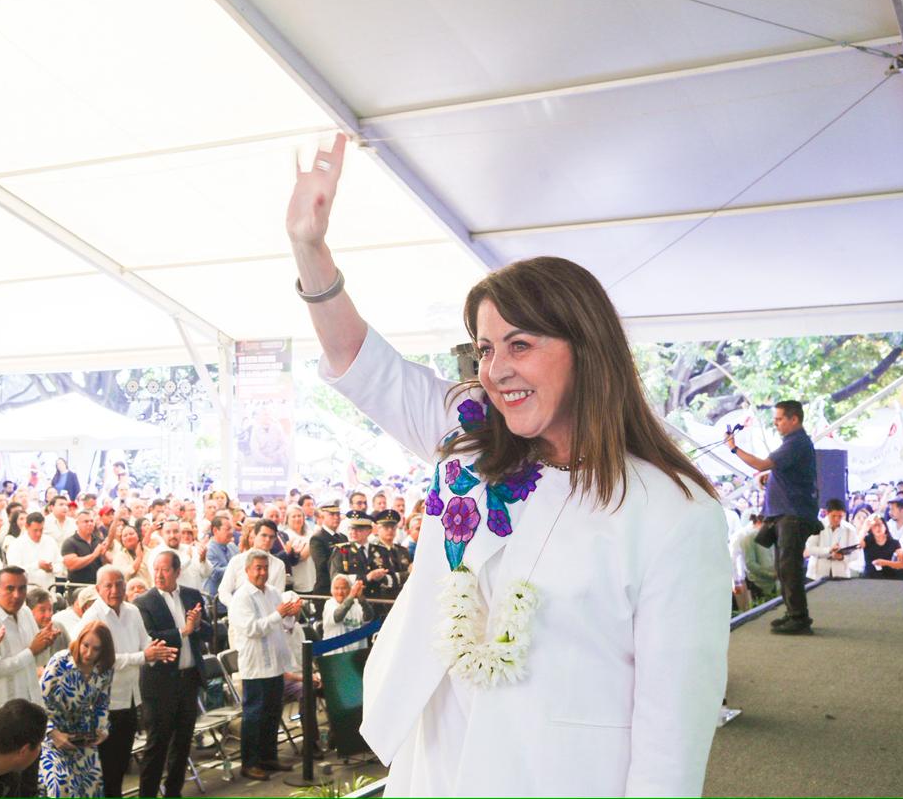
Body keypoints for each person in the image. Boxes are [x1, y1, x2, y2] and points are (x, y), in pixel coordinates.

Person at [285, 135, 729, 795]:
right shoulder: (468, 439)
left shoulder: (673, 512)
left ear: (586, 348)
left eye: (520, 345)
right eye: (486, 348)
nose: (495, 370)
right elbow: (364, 365)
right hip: (437, 767)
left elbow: (674, 726)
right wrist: (309, 248)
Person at [81, 566, 176, 797]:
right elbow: (97, 660)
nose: (115, 590)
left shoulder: (132, 611)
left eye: (119, 584)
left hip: (131, 698)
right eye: (109, 585)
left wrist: (156, 651)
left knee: (121, 765)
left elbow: (145, 642)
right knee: (106, 769)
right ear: (98, 589)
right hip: (104, 703)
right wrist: (143, 656)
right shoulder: (92, 617)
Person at [727, 400, 820, 633]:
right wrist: (770, 478)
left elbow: (761, 464)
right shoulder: (794, 444)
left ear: (794, 419)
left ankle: (799, 617)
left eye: (779, 419)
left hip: (793, 515)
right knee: (784, 567)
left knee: (789, 567)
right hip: (786, 514)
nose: (776, 423)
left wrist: (734, 448)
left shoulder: (796, 443)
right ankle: (792, 612)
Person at [135, 549, 212, 799]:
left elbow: (209, 632)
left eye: (165, 570)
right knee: (157, 745)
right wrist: (184, 631)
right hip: (159, 683)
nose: (159, 575)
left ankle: (174, 792)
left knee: (183, 742)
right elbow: (151, 637)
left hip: (188, 679)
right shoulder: (144, 602)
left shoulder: (191, 595)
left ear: (177, 572)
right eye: (156, 569)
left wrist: (197, 625)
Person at [228, 550, 302, 780]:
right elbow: (251, 629)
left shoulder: (272, 592)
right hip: (256, 664)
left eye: (265, 568)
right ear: (247, 570)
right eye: (257, 568)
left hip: (275, 663)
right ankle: (249, 763)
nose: (262, 572)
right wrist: (279, 615)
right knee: (254, 714)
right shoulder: (241, 597)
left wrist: (291, 614)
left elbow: (286, 624)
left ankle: (269, 757)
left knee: (273, 711)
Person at [38, 620, 115, 798]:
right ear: (79, 641)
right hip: (53, 736)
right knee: (60, 787)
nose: (88, 653)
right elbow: (38, 701)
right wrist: (52, 732)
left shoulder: (105, 669)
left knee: (90, 789)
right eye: (85, 645)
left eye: (96, 649)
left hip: (84, 738)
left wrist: (102, 729)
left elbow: (102, 702)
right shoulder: (60, 662)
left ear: (104, 650)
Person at [0, 567, 59, 717]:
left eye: (22, 588)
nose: (17, 595)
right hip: (3, 712)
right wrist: (30, 651)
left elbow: (37, 661)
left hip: (32, 704)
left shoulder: (25, 612)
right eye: (10, 589)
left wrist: (45, 643)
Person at [218, 519, 287, 610]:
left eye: (271, 537)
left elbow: (278, 595)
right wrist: (236, 607)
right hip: (239, 612)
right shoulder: (237, 561)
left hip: (267, 613)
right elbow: (224, 591)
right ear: (254, 536)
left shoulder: (278, 565)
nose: (267, 540)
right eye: (264, 535)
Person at [804, 500, 860, 580]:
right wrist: (829, 550)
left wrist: (842, 557)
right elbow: (810, 549)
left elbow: (856, 554)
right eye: (833, 516)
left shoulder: (850, 529)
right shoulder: (817, 526)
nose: (836, 519)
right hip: (816, 574)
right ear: (827, 513)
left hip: (841, 574)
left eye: (840, 516)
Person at [3, 513, 60, 591]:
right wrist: (37, 566)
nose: (38, 534)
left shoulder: (50, 541)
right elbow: (14, 571)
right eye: (35, 530)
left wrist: (52, 568)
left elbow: (60, 565)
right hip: (26, 591)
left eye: (41, 530)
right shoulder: (16, 544)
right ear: (27, 526)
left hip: (48, 589)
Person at [321, 575, 370, 654]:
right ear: (331, 590)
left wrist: (361, 598)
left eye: (343, 588)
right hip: (334, 656)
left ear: (349, 589)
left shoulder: (357, 604)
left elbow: (368, 617)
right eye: (336, 588)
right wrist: (352, 595)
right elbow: (337, 616)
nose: (340, 592)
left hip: (356, 655)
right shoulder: (329, 604)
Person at [62, 510, 113, 586]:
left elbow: (107, 563)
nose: (90, 524)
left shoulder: (99, 540)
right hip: (78, 586)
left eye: (92, 521)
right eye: (86, 521)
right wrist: (94, 555)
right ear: (77, 523)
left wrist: (104, 556)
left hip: (98, 585)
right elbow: (71, 565)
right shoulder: (70, 542)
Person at [308, 501, 345, 596]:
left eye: (338, 514)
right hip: (326, 588)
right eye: (331, 514)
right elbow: (322, 565)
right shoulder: (317, 538)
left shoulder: (343, 537)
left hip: (343, 587)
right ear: (322, 517)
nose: (336, 517)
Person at [203, 514, 237, 602]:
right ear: (215, 530)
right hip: (215, 601)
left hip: (232, 597)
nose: (231, 532)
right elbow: (214, 573)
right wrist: (234, 567)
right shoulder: (209, 550)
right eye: (227, 529)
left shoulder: (232, 546)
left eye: (232, 529)